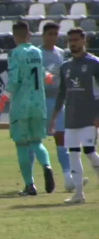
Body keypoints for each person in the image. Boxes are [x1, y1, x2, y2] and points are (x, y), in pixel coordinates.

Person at [0, 21, 55, 196]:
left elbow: (14, 79)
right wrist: (51, 77)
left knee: (21, 145)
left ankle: (30, 185)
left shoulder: (15, 53)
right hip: (38, 104)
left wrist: (2, 101)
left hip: (21, 105)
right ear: (29, 34)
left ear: (15, 36)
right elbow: (43, 75)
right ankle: (47, 165)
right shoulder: (37, 52)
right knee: (36, 142)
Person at [49, 28, 99, 204]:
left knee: (89, 152)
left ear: (84, 41)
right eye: (70, 40)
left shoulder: (94, 64)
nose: (73, 43)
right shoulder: (65, 66)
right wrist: (54, 116)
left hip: (89, 119)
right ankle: (79, 194)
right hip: (71, 119)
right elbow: (62, 93)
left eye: (76, 40)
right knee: (73, 154)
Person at [36, 22, 89, 191]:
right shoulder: (37, 54)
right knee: (34, 139)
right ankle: (29, 180)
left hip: (57, 101)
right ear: (43, 35)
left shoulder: (61, 54)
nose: (52, 37)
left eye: (55, 34)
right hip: (39, 101)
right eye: (49, 34)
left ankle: (68, 177)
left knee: (61, 138)